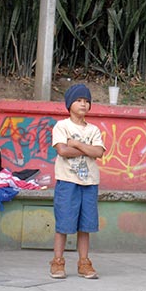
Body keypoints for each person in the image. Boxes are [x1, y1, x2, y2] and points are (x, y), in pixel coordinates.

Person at [49, 83, 105, 279]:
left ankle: (84, 262)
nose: (83, 104)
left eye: (87, 101)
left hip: (89, 183)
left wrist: (77, 144)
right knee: (63, 224)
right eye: (79, 100)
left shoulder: (94, 130)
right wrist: (85, 150)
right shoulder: (62, 126)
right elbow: (62, 151)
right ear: (69, 104)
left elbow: (98, 152)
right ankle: (57, 261)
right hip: (67, 182)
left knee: (85, 225)